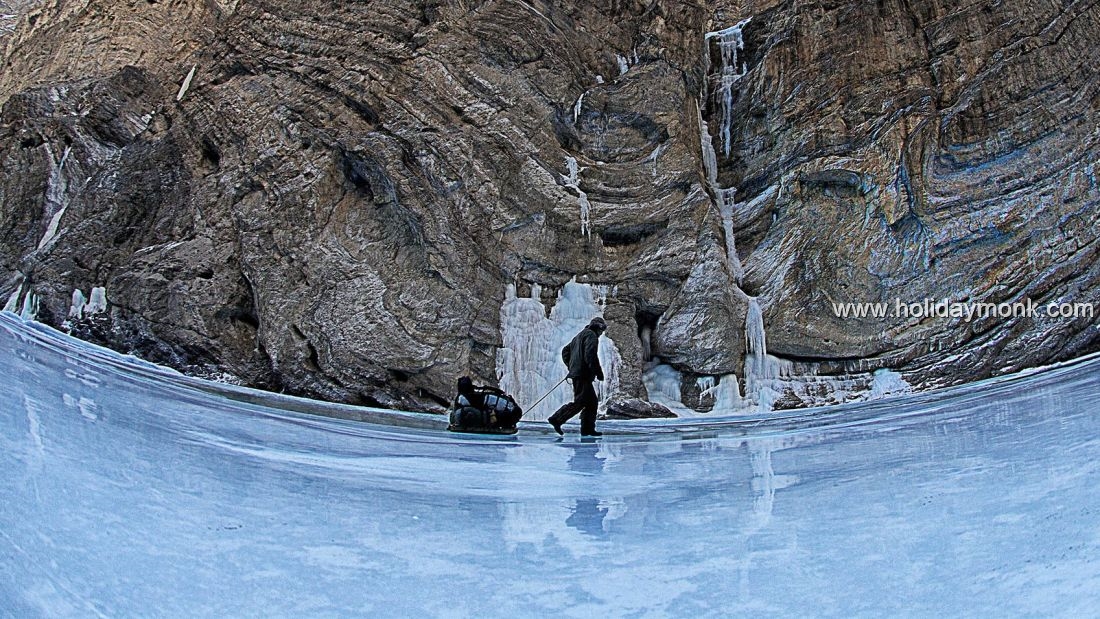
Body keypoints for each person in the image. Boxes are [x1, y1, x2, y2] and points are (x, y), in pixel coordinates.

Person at [548, 316, 607, 437]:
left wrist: (572, 367)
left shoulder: (579, 336)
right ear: (598, 327)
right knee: (581, 402)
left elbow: (565, 351)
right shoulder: (591, 336)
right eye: (602, 330)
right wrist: (598, 372)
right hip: (583, 375)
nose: (601, 334)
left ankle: (587, 429)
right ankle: (557, 418)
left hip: (578, 374)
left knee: (591, 403)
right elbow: (590, 355)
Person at [449, 376, 523, 434]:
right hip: (513, 412)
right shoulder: (477, 394)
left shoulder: (464, 398)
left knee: (462, 413)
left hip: (511, 414)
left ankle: (492, 420)